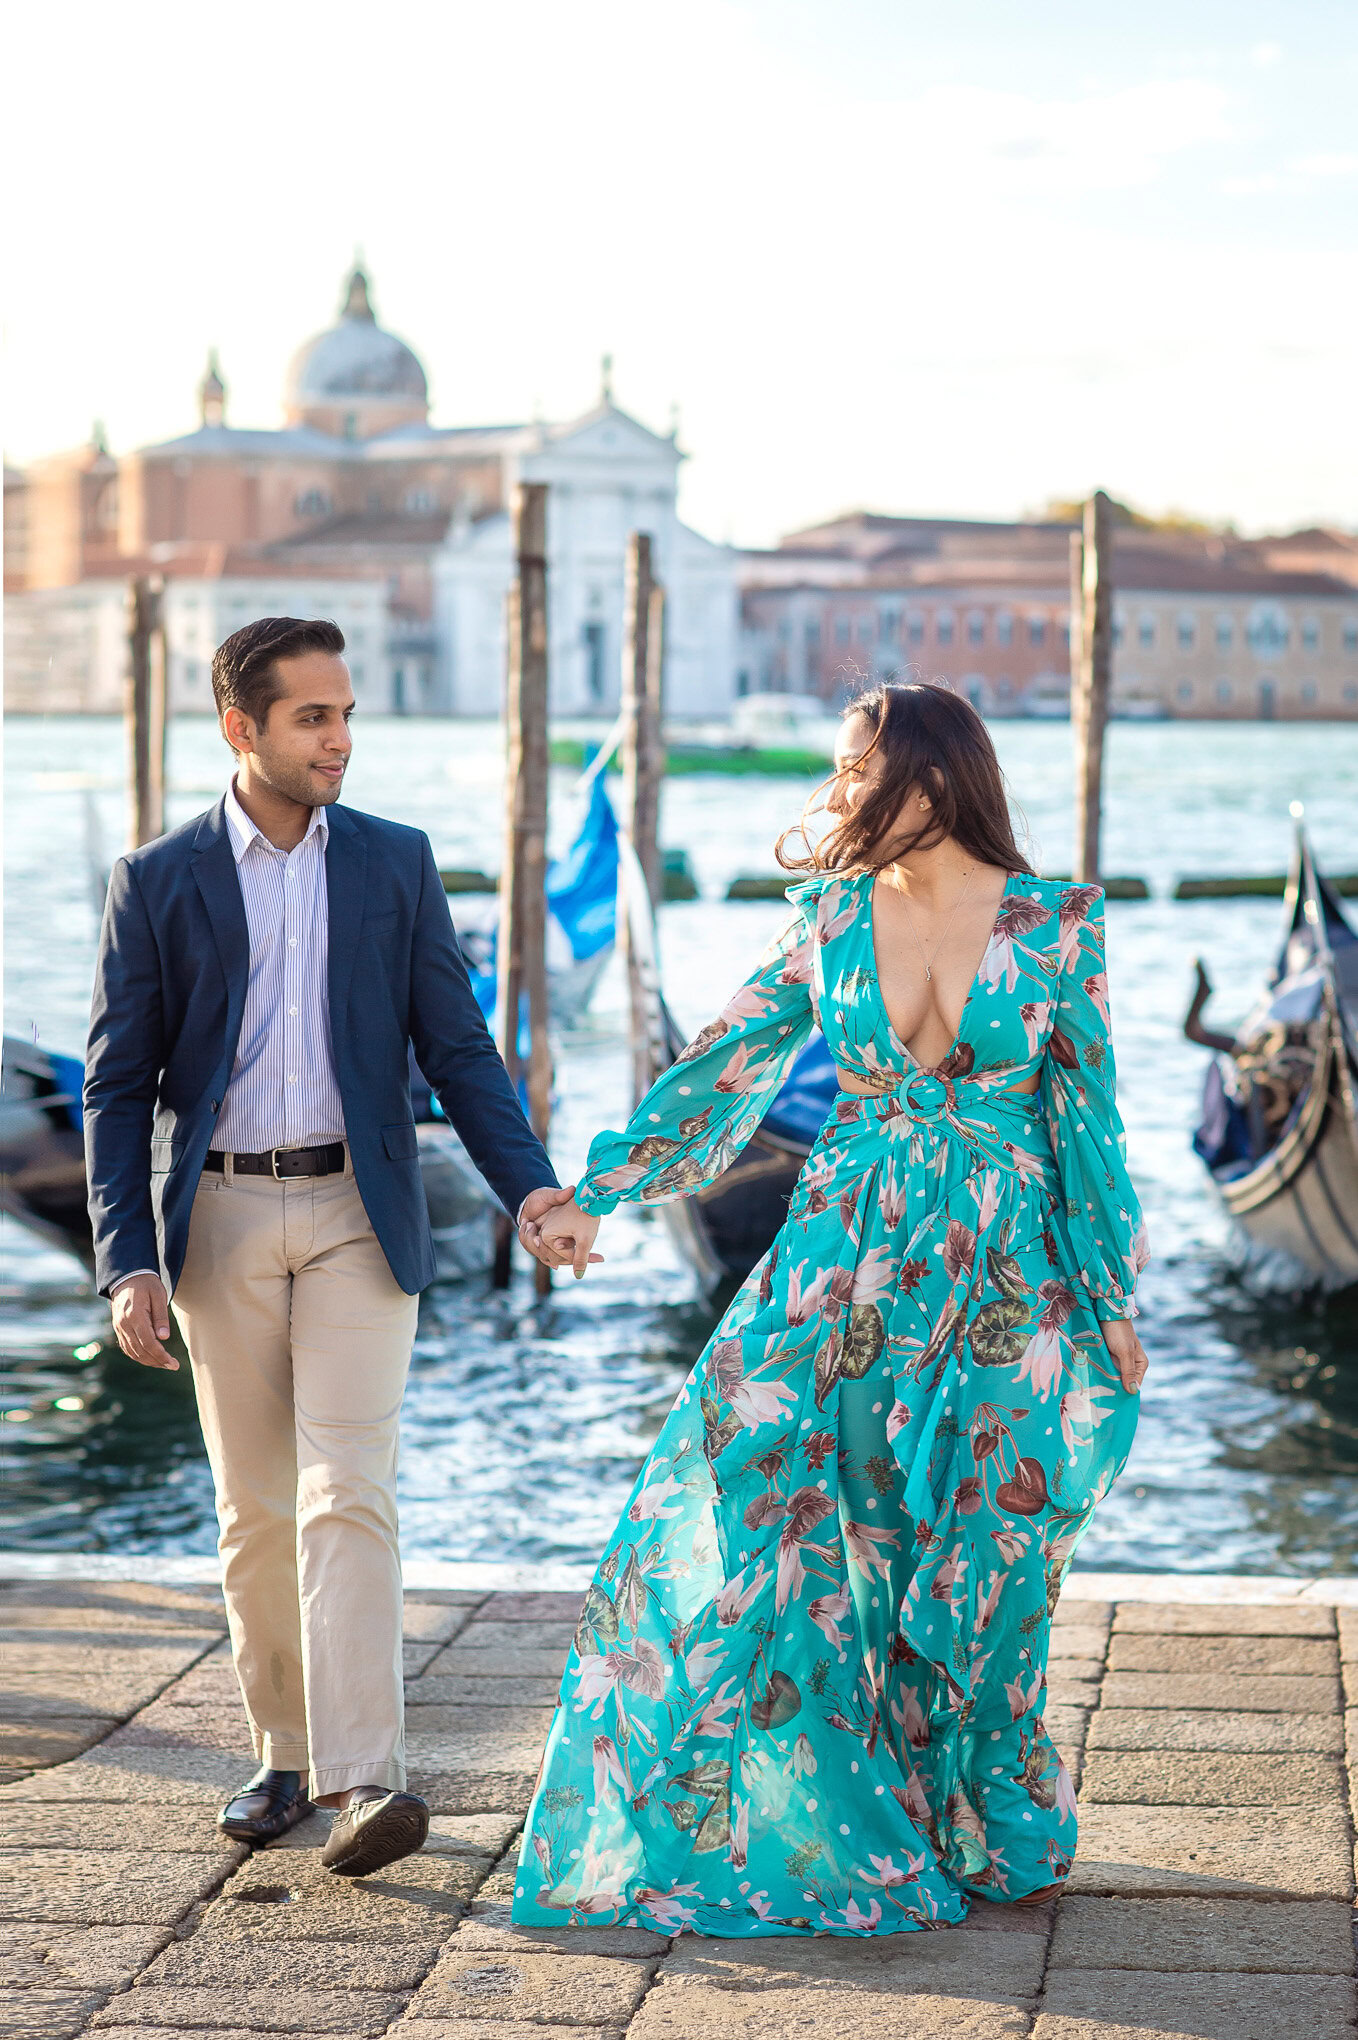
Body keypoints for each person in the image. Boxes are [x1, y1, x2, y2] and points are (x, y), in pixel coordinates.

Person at [515, 680, 1149, 1937]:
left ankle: (982, 1817)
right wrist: (598, 1191)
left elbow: (1085, 1123)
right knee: (803, 1523)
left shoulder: (1056, 925)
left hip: (1004, 1283)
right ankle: (839, 1811)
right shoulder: (830, 915)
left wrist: (1111, 1298)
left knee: (982, 1553)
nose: (843, 789)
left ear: (934, 776)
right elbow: (720, 1070)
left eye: (862, 767)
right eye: (844, 768)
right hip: (839, 1270)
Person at [84, 617, 591, 1875]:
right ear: (241, 727)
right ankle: (284, 1756)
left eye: (347, 714)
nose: (340, 739)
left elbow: (457, 1050)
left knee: (347, 1489)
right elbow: (117, 1085)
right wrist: (127, 1256)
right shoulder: (157, 879)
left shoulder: (395, 863)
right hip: (218, 1221)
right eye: (313, 717)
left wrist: (530, 1192)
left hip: (362, 1215)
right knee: (256, 1509)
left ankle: (368, 1778)